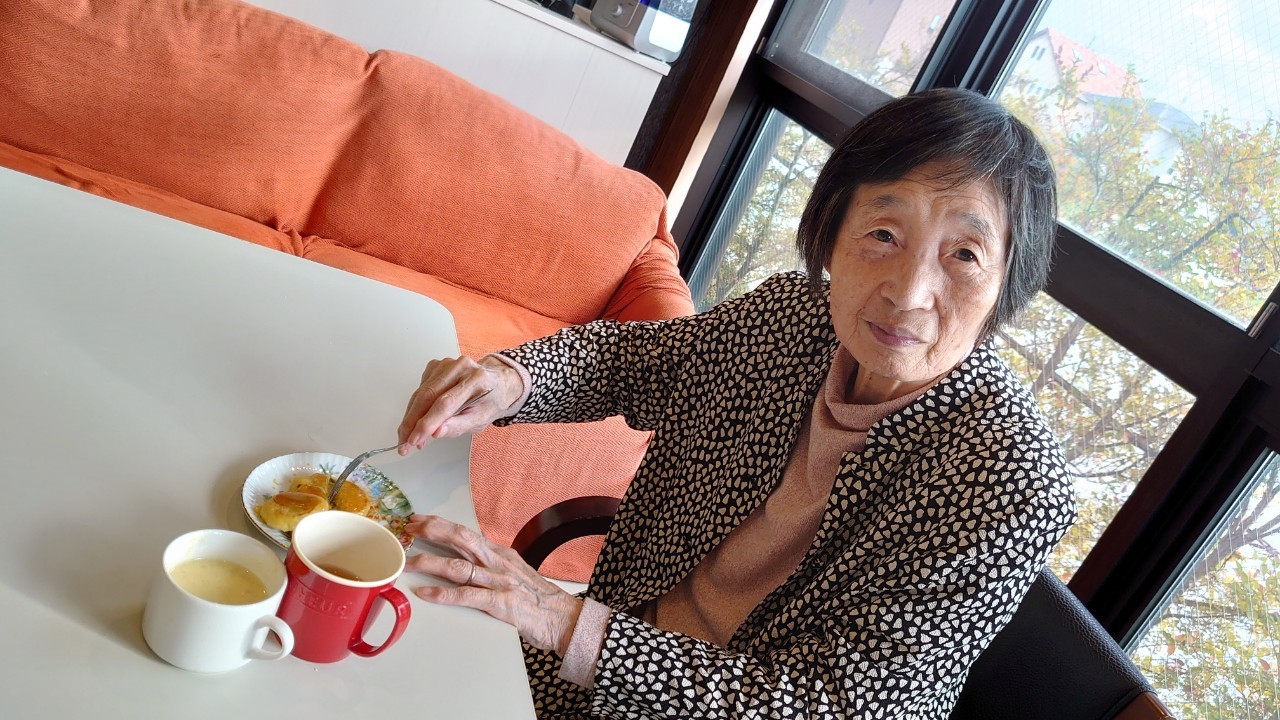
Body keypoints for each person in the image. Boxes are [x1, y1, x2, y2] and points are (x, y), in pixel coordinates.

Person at [395, 87, 1076, 719]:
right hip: (597, 661)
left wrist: (567, 622)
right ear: (832, 234)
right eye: (883, 235)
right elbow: (631, 362)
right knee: (393, 641)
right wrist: (512, 379)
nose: (908, 292)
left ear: (1007, 283)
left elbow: (831, 706)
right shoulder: (795, 316)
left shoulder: (1010, 480)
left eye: (964, 254)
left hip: (628, 664)